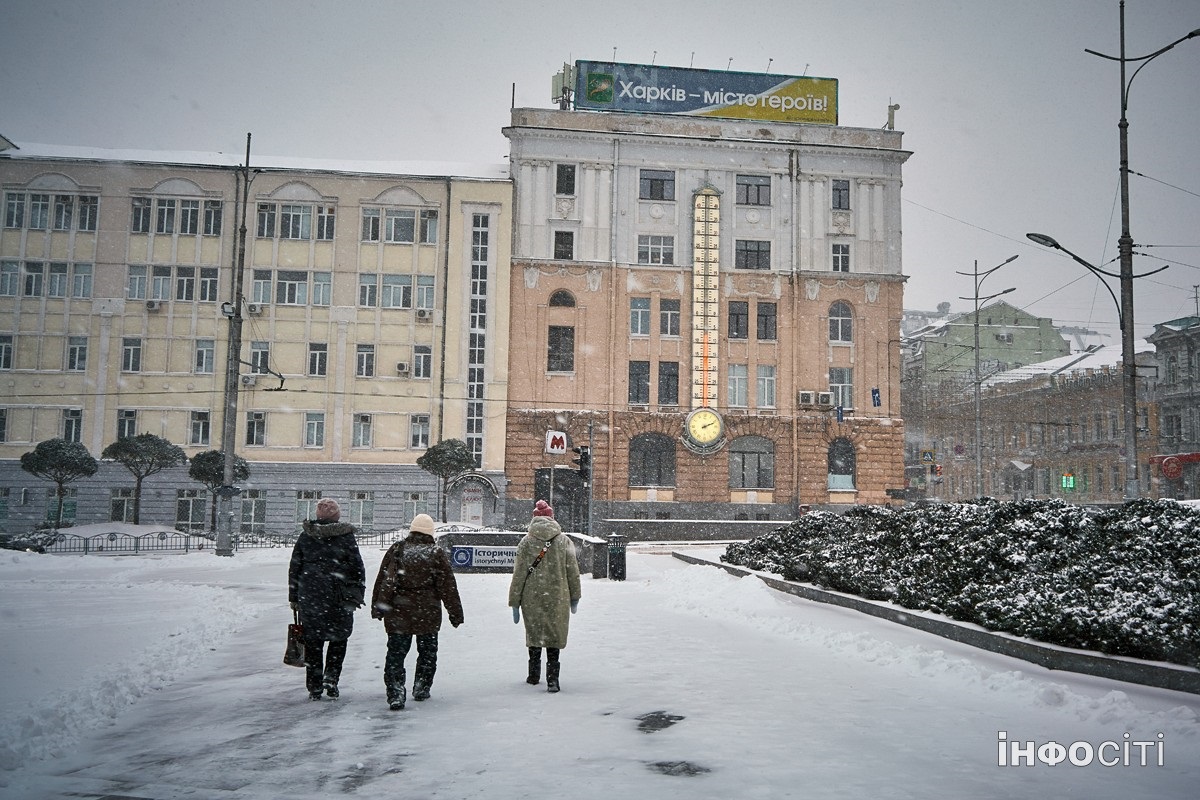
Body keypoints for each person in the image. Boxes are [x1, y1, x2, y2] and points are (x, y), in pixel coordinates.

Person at [371, 513, 464, 710]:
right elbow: (448, 586)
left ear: (412, 530)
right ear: (430, 533)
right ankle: (422, 686)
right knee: (427, 652)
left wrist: (378, 606)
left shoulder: (397, 549)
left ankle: (396, 692)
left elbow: (383, 579)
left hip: (399, 611)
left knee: (396, 654)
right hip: (427, 612)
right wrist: (455, 612)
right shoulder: (436, 553)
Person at [288, 497, 366, 701]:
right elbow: (357, 567)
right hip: (340, 596)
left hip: (311, 596)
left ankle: (314, 686)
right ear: (337, 516)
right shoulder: (345, 537)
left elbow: (295, 567)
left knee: (313, 643)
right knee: (339, 639)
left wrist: (294, 597)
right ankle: (331, 678)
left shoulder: (306, 536)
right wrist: (357, 593)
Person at [507, 500, 581, 693]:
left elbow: (519, 574)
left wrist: (515, 601)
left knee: (535, 634)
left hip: (531, 596)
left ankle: (533, 675)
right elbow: (573, 572)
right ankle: (553, 680)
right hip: (558, 597)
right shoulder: (564, 541)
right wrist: (575, 597)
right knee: (554, 635)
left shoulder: (526, 542)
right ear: (552, 518)